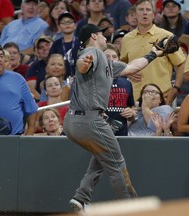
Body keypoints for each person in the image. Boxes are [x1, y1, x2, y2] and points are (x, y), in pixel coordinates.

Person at [63, 23, 164, 211]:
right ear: (94, 36)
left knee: (102, 157)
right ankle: (130, 208)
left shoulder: (107, 64)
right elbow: (83, 61)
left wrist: (154, 54)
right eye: (102, 34)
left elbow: (133, 67)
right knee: (117, 164)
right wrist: (83, 65)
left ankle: (81, 197)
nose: (105, 37)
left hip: (74, 121)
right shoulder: (93, 52)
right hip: (89, 119)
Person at [120, 0, 186, 104]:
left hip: (161, 97)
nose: (145, 12)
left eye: (148, 10)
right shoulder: (126, 39)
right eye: (141, 9)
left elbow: (181, 64)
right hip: (135, 98)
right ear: (135, 15)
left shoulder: (167, 36)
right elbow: (122, 64)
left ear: (154, 15)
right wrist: (128, 73)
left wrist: (176, 89)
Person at [0, 44, 38, 135]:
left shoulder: (18, 79)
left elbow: (31, 109)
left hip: (14, 139)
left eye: (1, 55)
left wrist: (30, 132)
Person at [104, 43, 136, 136]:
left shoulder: (127, 83)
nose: (111, 59)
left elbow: (131, 108)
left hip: (121, 134)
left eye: (114, 56)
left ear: (118, 59)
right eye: (107, 56)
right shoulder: (93, 82)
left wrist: (131, 114)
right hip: (99, 135)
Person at [48, 11, 80, 78]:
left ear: (75, 25)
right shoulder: (56, 44)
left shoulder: (81, 42)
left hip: (79, 79)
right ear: (59, 26)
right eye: (63, 22)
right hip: (61, 80)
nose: (67, 24)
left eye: (70, 22)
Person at [26, 35, 54, 102]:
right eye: (41, 47)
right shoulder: (34, 67)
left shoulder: (64, 61)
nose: (45, 48)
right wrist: (44, 102)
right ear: (37, 52)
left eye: (47, 45)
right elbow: (31, 89)